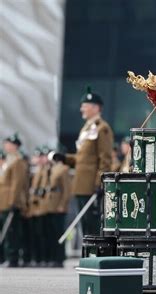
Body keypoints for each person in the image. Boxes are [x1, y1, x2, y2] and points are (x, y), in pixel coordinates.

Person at [65, 86, 114, 236]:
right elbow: (82, 158)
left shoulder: (102, 128)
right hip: (81, 184)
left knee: (92, 225)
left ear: (95, 107)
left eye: (84, 106)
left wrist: (99, 182)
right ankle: (87, 255)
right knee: (84, 226)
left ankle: (94, 256)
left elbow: (105, 158)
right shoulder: (87, 129)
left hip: (90, 185)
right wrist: (64, 158)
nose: (81, 109)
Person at [0, 133, 29, 267]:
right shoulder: (8, 160)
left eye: (8, 144)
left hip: (10, 201)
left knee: (11, 231)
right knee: (6, 231)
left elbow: (17, 183)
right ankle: (6, 256)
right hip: (3, 201)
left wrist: (13, 201)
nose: (5, 146)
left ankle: (12, 258)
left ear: (15, 146)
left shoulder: (17, 160)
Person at [46, 151, 72, 267]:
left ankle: (59, 258)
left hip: (59, 205)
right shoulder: (52, 169)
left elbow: (66, 190)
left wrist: (63, 204)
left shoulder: (64, 169)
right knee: (51, 232)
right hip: (51, 204)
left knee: (58, 232)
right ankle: (52, 257)